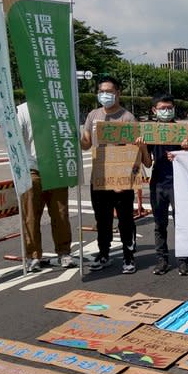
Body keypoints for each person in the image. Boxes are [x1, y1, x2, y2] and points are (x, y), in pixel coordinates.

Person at [80, 77, 141, 274]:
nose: (104, 94)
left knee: (125, 220)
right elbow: (87, 143)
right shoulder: (93, 116)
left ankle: (128, 256)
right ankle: (104, 254)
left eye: (109, 91)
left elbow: (133, 150)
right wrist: (75, 134)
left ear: (117, 93)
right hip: (99, 178)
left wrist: (124, 179)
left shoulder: (127, 118)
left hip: (121, 179)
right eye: (101, 91)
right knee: (102, 220)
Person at [136, 94, 188, 276]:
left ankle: (183, 260)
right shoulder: (151, 132)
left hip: (180, 183)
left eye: (169, 107)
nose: (166, 111)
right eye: (162, 108)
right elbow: (146, 163)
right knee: (159, 224)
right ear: (154, 110)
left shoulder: (183, 131)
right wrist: (143, 147)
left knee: (182, 223)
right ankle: (162, 260)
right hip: (158, 183)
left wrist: (186, 150)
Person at [17, 102, 75, 272]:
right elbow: (16, 139)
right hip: (32, 170)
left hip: (56, 170)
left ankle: (64, 252)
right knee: (31, 216)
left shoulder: (59, 106)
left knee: (61, 214)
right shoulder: (22, 110)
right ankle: (33, 255)